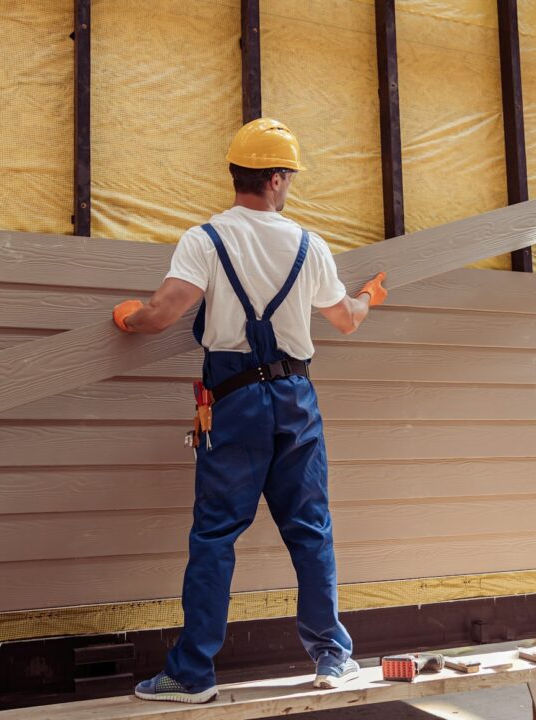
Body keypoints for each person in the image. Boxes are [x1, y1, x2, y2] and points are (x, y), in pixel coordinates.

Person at [111, 118, 388, 704]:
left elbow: (162, 313)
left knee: (214, 536)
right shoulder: (311, 245)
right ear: (278, 178)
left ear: (237, 173)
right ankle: (332, 658)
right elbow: (344, 319)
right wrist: (368, 296)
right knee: (311, 531)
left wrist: (127, 319)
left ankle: (192, 675)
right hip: (295, 400)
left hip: (232, 402)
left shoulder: (205, 240)